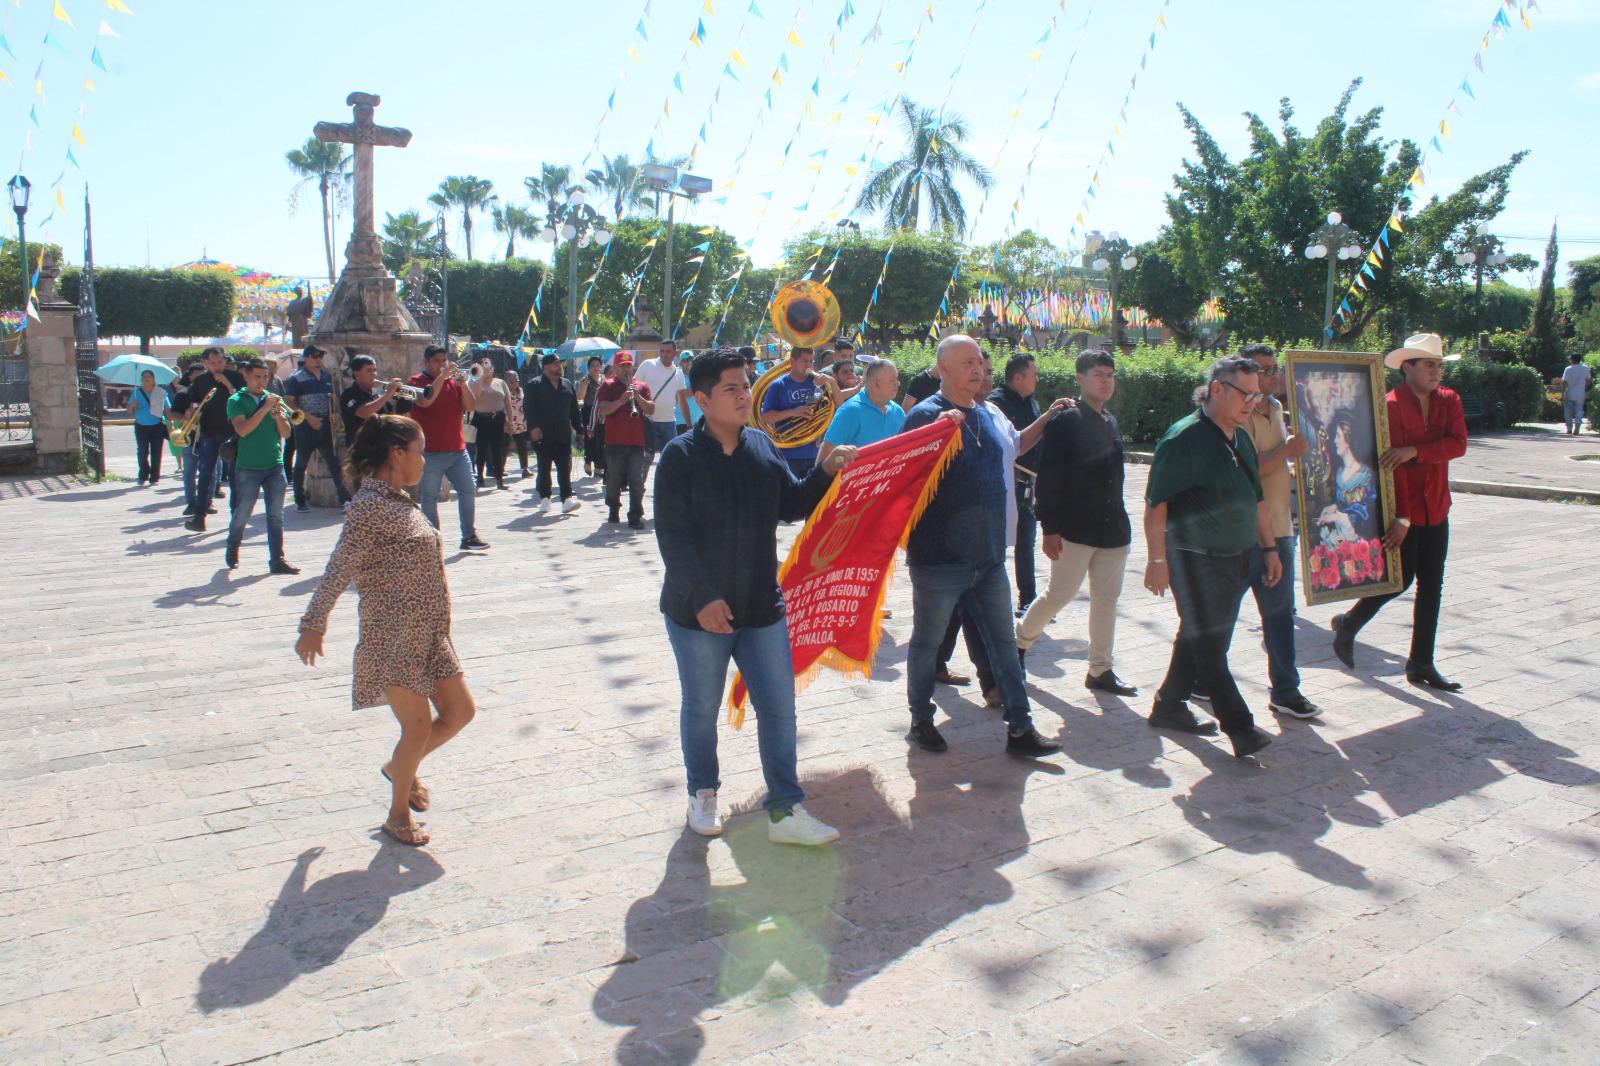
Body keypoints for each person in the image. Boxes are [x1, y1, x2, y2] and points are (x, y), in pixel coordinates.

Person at [654, 347, 856, 845]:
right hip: (697, 614)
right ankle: (702, 794)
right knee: (701, 708)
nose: (744, 395)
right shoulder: (679, 458)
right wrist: (702, 597)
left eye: (746, 385)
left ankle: (785, 810)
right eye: (731, 388)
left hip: (762, 606)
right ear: (702, 399)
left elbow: (791, 503)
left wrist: (827, 472)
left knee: (779, 707)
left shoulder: (763, 447)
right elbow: (672, 539)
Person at [296, 414, 478, 847]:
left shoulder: (397, 500)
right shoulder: (369, 507)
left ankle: (400, 768)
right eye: (419, 451)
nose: (424, 459)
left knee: (461, 713)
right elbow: (338, 568)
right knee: (415, 729)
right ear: (397, 454)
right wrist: (313, 623)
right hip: (392, 638)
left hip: (430, 634)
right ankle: (397, 817)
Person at [899, 335, 1061, 759]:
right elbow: (903, 481)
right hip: (939, 562)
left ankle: (1021, 729)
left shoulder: (989, 413)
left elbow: (1015, 451)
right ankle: (920, 719)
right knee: (927, 643)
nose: (978, 370)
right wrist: (936, 438)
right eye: (967, 363)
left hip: (989, 559)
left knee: (1004, 644)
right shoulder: (924, 416)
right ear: (944, 370)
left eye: (980, 364)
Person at [1141, 355, 1279, 759]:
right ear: (1217, 389)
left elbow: (1256, 500)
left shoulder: (1242, 437)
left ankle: (1168, 705)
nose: (1252, 403)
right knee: (1210, 647)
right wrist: (1156, 560)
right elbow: (1156, 505)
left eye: (1256, 395)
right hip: (1193, 557)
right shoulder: (1183, 438)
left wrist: (1269, 548)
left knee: (1200, 637)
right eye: (1245, 394)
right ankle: (1240, 727)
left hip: (1237, 557)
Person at [1333, 333, 1468, 692]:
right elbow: (1386, 465)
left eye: (1439, 365)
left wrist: (1415, 451)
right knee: (1400, 578)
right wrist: (1403, 517)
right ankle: (1350, 622)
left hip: (1437, 506)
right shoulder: (1389, 406)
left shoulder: (1449, 400)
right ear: (1407, 367)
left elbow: (1458, 445)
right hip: (1404, 510)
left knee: (1432, 586)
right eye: (1429, 365)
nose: (1437, 372)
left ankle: (1421, 662)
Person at [1017, 350, 1137, 697]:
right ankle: (1019, 642)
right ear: (1080, 379)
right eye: (1098, 374)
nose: (1105, 381)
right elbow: (1049, 477)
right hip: (1074, 528)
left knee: (1107, 599)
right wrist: (1049, 528)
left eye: (1110, 375)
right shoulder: (1066, 421)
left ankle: (1100, 669)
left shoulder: (1109, 421)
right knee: (1059, 594)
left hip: (1113, 529)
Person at [1215, 344, 1323, 720]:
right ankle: (1201, 678)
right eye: (1263, 370)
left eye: (1273, 369)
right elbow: (1244, 468)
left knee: (1279, 614)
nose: (1272, 376)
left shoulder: (1276, 408)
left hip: (1279, 528)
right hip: (1242, 532)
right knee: (1223, 612)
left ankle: (1286, 690)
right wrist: (1286, 451)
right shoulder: (1234, 413)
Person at [407, 345, 490, 551]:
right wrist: (443, 376)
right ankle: (432, 540)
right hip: (430, 452)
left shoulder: (453, 383)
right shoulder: (416, 382)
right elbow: (425, 401)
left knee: (468, 491)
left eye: (444, 360)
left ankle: (469, 536)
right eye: (437, 361)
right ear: (426, 362)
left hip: (457, 450)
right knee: (429, 497)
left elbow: (470, 406)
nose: (442, 364)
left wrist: (463, 385)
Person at [224, 359, 299, 575]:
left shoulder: (273, 400)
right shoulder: (236, 400)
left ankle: (277, 559)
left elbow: (286, 433)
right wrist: (264, 409)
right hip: (248, 466)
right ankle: (233, 544)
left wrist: (277, 418)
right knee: (243, 512)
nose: (262, 381)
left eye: (265, 376)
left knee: (276, 515)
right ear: (246, 376)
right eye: (257, 376)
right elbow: (243, 430)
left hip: (274, 465)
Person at [988, 353, 1045, 614]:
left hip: (1029, 482)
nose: (1037, 380)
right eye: (1033, 375)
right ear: (1018, 377)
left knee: (1027, 540)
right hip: (1005, 484)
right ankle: (990, 600)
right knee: (998, 543)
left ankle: (1028, 598)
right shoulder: (995, 404)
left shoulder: (1031, 403)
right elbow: (1012, 445)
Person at [183, 347, 245, 532]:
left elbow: (241, 399)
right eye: (213, 363)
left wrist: (226, 383)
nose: (218, 366)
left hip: (232, 432)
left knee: (235, 477)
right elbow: (193, 403)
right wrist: (191, 412)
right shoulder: (200, 381)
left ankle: (236, 517)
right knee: (205, 475)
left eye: (221, 362)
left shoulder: (235, 377)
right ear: (206, 363)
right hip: (209, 433)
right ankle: (199, 517)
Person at [284, 344, 352, 513]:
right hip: (306, 426)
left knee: (334, 463)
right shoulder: (296, 378)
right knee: (301, 463)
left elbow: (333, 398)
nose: (318, 360)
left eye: (320, 357)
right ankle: (300, 500)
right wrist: (308, 417)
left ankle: (344, 499)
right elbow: (289, 401)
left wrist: (335, 413)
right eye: (314, 357)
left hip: (325, 425)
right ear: (306, 359)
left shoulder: (326, 377)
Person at [596, 352, 654, 529]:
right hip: (614, 442)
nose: (625, 369)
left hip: (636, 442)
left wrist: (638, 397)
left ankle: (635, 516)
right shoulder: (607, 385)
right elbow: (603, 410)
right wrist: (621, 400)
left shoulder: (641, 387)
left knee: (636, 480)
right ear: (615, 368)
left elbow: (651, 410)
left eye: (628, 366)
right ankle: (613, 508)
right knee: (613, 479)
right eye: (622, 366)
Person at [760, 346, 836, 477]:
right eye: (804, 361)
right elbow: (766, 417)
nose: (809, 366)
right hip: (788, 454)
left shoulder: (817, 383)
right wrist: (793, 412)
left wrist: (830, 382)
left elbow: (830, 407)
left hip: (814, 452)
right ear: (792, 361)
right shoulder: (778, 385)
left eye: (811, 362)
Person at [524, 352, 583, 515]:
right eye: (557, 364)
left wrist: (579, 430)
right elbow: (529, 408)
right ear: (547, 367)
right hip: (543, 435)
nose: (560, 367)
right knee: (544, 467)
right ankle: (545, 498)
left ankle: (566, 499)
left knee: (565, 467)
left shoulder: (567, 384)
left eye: (560, 364)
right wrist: (533, 427)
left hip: (563, 434)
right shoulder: (534, 384)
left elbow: (574, 410)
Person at [818, 357, 905, 464]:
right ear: (876, 383)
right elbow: (823, 460)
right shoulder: (850, 412)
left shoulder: (897, 411)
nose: (898, 383)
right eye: (892, 380)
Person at [634, 339, 687, 460]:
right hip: (648, 421)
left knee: (670, 460)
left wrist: (689, 425)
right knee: (646, 460)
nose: (664, 354)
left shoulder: (678, 373)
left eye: (668, 351)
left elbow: (683, 401)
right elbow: (633, 386)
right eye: (662, 351)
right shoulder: (647, 365)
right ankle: (639, 480)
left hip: (669, 422)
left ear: (675, 353)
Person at [339, 354, 402, 447]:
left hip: (380, 447)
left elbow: (391, 417)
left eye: (374, 370)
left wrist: (399, 401)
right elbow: (363, 413)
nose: (373, 374)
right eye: (369, 370)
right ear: (356, 374)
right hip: (360, 448)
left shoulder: (376, 395)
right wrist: (388, 394)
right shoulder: (348, 395)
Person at [468, 357, 512, 490]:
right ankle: (480, 477)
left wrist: (510, 420)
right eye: (484, 367)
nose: (488, 370)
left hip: (497, 418)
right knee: (481, 449)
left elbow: (507, 402)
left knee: (497, 449)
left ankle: (499, 479)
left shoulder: (500, 382)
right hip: (481, 418)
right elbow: (474, 398)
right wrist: (481, 378)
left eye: (489, 367)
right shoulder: (474, 381)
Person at [128, 368, 170, 486]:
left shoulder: (160, 392)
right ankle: (143, 475)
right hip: (141, 426)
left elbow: (167, 409)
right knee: (142, 451)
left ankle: (154, 476)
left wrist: (171, 423)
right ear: (141, 380)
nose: (146, 379)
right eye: (144, 377)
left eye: (149, 377)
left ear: (153, 379)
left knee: (156, 451)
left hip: (157, 426)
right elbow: (129, 410)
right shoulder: (136, 393)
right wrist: (133, 405)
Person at [576, 355, 607, 478]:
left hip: (602, 412)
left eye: (598, 365)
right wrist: (584, 385)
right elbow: (580, 397)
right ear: (588, 368)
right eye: (593, 366)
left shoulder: (605, 380)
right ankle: (588, 461)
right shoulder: (585, 380)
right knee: (590, 438)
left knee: (601, 439)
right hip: (588, 411)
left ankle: (599, 466)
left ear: (601, 367)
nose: (596, 368)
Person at [504, 369, 532, 479]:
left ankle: (525, 469)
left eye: (516, 381)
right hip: (507, 424)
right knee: (504, 447)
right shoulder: (503, 393)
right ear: (505, 381)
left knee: (522, 446)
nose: (515, 383)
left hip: (520, 424)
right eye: (511, 381)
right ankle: (500, 469)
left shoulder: (521, 391)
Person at [1561, 353, 1592, 435]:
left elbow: (1564, 382)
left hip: (1569, 393)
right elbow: (1588, 380)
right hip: (1580, 393)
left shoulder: (1568, 369)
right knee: (1579, 411)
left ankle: (1569, 429)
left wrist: (1562, 393)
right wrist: (1584, 388)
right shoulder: (1585, 368)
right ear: (1580, 359)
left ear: (1571, 359)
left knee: (1568, 412)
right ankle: (1577, 428)